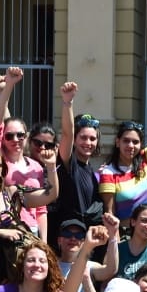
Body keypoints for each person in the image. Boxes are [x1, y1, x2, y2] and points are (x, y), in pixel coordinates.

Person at [0, 68, 50, 239]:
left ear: (27, 136)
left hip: (32, 231)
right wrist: (7, 88)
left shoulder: (36, 166)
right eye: (9, 136)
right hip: (5, 228)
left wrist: (43, 243)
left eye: (20, 135)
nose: (15, 139)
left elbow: (41, 210)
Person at [97, 85, 147, 221]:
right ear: (117, 142)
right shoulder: (108, 173)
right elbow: (110, 213)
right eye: (126, 141)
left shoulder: (145, 159)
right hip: (125, 235)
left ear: (141, 144)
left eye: (135, 142)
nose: (130, 146)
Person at [49, 81, 102, 242]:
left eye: (93, 138)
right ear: (75, 140)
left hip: (85, 239)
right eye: (83, 137)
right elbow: (67, 133)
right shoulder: (68, 162)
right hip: (67, 238)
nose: (88, 142)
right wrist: (67, 102)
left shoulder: (92, 169)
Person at [55, 214, 120, 292]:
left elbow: (111, 269)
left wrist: (112, 235)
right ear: (59, 240)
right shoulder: (50, 265)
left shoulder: (89, 266)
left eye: (78, 236)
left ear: (84, 241)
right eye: (67, 234)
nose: (73, 239)